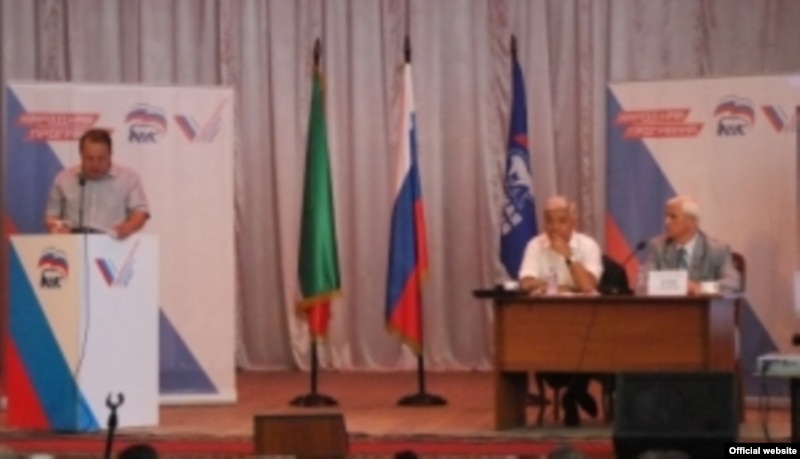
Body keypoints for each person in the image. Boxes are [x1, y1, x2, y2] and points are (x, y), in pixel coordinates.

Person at [518, 196, 604, 427]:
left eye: (561, 221)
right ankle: (577, 393)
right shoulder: (535, 245)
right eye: (549, 221)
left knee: (588, 342)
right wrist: (562, 287)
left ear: (573, 222)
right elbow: (526, 282)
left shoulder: (588, 246)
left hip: (586, 324)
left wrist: (567, 256)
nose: (554, 227)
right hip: (549, 326)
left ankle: (572, 396)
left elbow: (588, 287)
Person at [45, 128, 150, 239]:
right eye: (89, 158)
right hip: (72, 243)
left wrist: (127, 228)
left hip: (113, 243)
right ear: (81, 155)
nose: (95, 164)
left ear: (110, 155)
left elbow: (140, 213)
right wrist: (56, 227)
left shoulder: (128, 179)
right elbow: (52, 216)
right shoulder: (63, 179)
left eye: (101, 159)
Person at [642, 196, 741, 295]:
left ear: (691, 221)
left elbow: (732, 283)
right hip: (667, 305)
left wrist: (700, 287)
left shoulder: (717, 249)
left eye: (673, 217)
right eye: (666, 216)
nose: (666, 222)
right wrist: (675, 286)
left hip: (702, 304)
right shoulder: (658, 246)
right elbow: (643, 284)